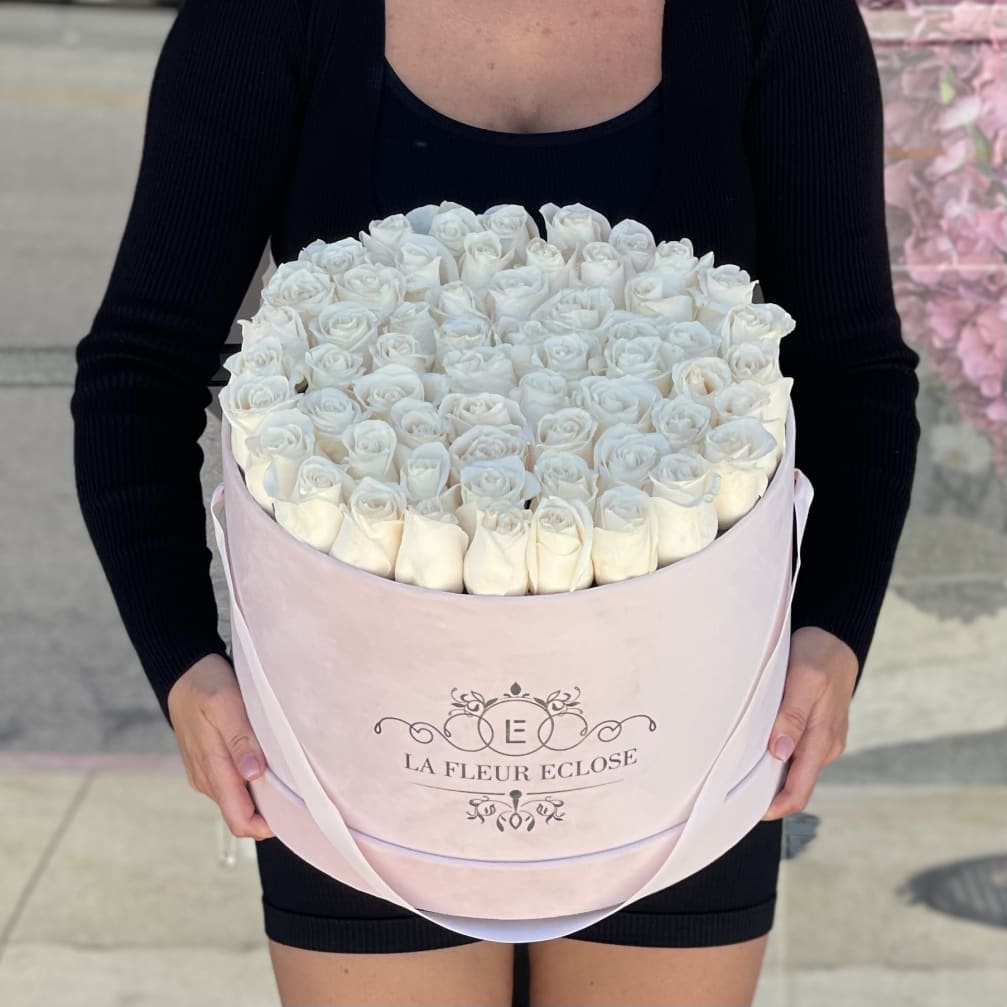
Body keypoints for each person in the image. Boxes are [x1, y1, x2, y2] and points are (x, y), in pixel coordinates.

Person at [70, 0, 921, 1004]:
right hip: (360, 745)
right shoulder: (268, 20)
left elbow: (853, 370)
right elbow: (139, 372)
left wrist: (831, 630)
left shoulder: (775, 20)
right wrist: (186, 662)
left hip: (675, 738)